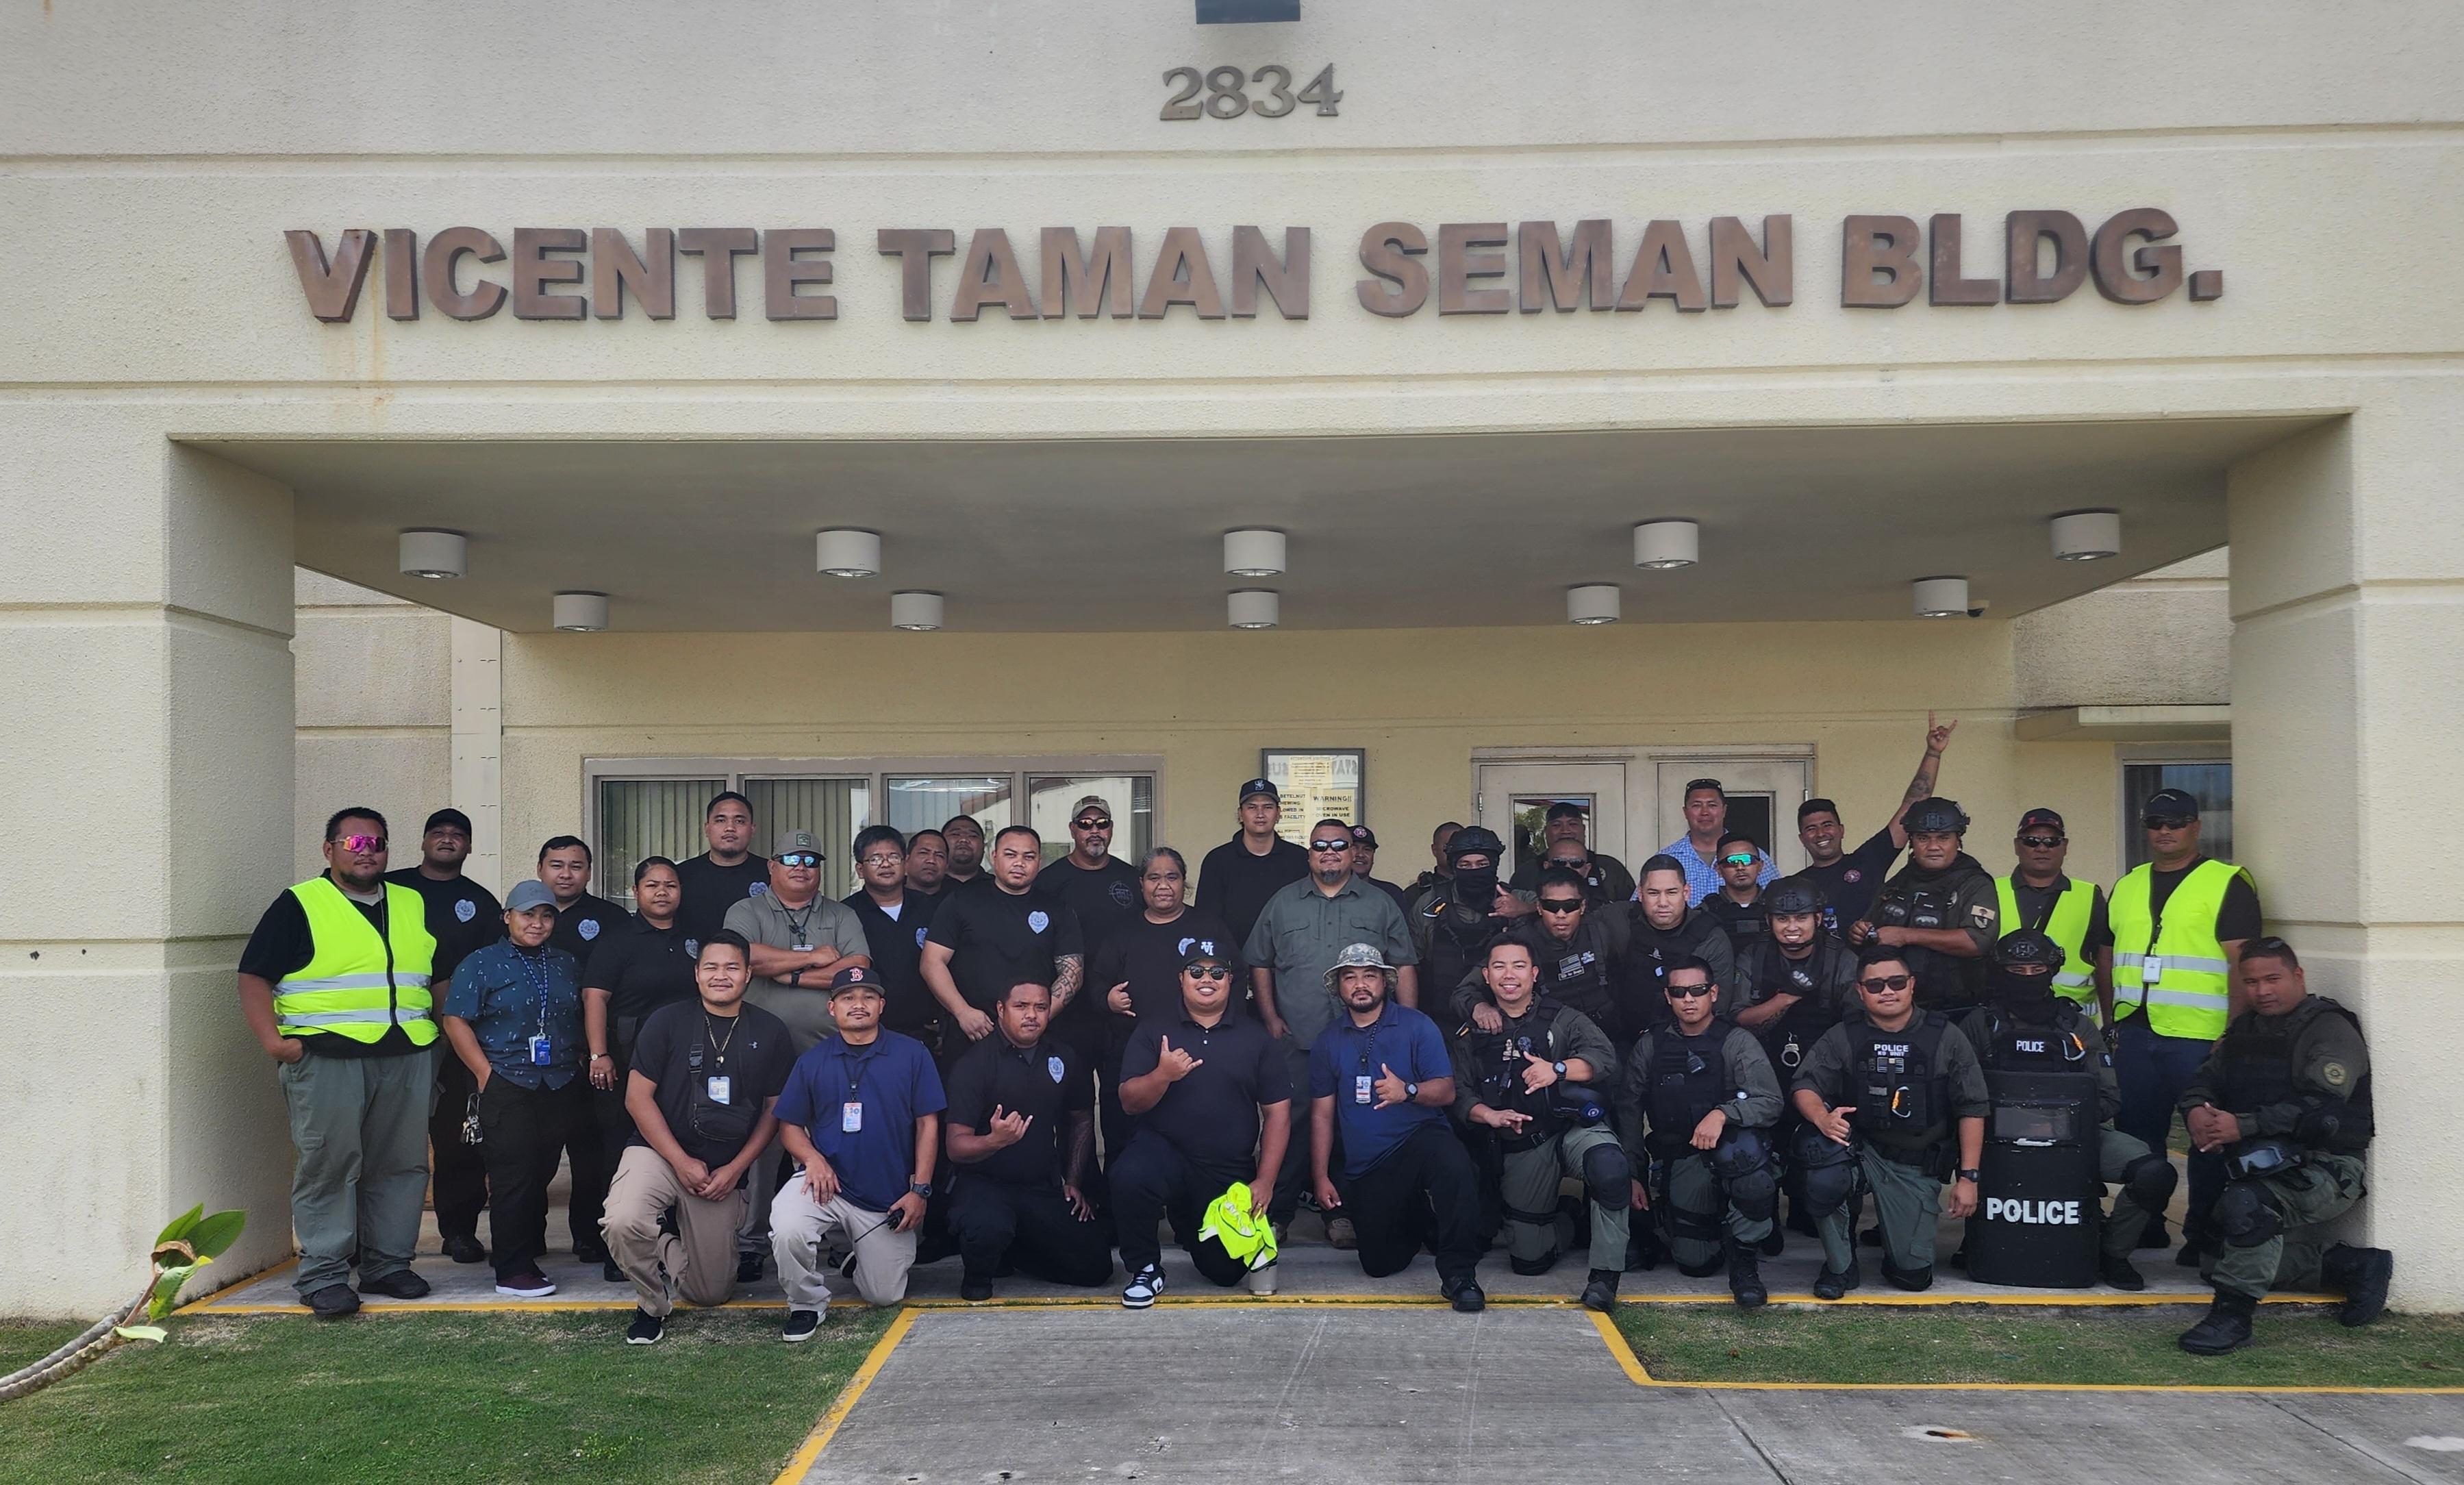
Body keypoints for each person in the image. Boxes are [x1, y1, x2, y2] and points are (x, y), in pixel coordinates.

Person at [237, 808, 440, 1316]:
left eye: (376, 842)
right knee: (329, 1164)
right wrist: (273, 1042)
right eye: (353, 843)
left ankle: (388, 1263)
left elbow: (429, 976)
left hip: (405, 1055)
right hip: (327, 1058)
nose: (366, 850)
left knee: (403, 1166)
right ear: (329, 850)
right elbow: (253, 976)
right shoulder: (300, 904)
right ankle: (324, 1274)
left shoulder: (411, 902)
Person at [2174, 938, 2392, 1354]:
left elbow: (2322, 1110)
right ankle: (2349, 1267)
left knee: (2247, 1208)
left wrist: (2244, 1125)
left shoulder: (2328, 1029)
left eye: (2273, 979)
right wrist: (2196, 1112)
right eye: (2251, 982)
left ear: (2298, 976)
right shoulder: (2245, 1029)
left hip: (2328, 1167)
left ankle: (2232, 1318)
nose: (2262, 991)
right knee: (2214, 1260)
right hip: (2266, 1162)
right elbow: (2204, 1080)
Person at [1954, 930, 2174, 1290]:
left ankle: (2113, 1252)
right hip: (1994, 1141)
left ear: (2053, 969)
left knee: (2154, 1173)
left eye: (2036, 968)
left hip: (2077, 1137)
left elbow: (2109, 1096)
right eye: (2016, 968)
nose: (2026, 977)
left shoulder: (2078, 1026)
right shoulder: (1979, 1025)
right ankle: (1980, 1235)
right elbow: (1959, 1094)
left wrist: (2053, 1124)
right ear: (1999, 970)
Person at [603, 931, 794, 1344]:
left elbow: (774, 1110)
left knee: (709, 1293)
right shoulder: (666, 1021)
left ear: (747, 973)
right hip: (658, 1151)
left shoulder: (771, 1030)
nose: (720, 975)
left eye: (731, 967)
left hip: (723, 1167)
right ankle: (651, 1304)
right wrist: (679, 1161)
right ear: (696, 974)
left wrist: (736, 1169)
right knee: (621, 1220)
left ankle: (664, 1236)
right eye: (711, 967)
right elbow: (637, 1099)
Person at [2110, 786, 2263, 1264]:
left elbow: (2242, 959)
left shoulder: (2227, 881)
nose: (2165, 831)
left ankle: (2201, 1235)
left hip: (2200, 1035)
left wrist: (2233, 1030)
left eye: (2175, 823)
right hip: (2136, 1029)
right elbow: (2106, 954)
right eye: (2156, 823)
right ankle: (2147, 1225)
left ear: (2197, 827)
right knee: (2138, 1135)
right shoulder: (2129, 883)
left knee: (2206, 1137)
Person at [1245, 817, 1418, 1240]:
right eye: (1321, 846)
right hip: (1298, 1039)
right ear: (1310, 854)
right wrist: (1269, 1017)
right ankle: (1279, 1211)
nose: (1330, 852)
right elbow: (1259, 961)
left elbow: (1404, 965)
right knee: (1290, 1122)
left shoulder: (1379, 903)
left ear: (1351, 853)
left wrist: (1407, 1027)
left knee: (1352, 1124)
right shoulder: (1283, 902)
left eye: (1339, 846)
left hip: (1365, 1040)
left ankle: (1341, 1214)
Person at [1790, 946, 1989, 1299]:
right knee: (1821, 1161)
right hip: (1861, 1150)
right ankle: (1840, 1265)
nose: (1887, 991)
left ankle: (1895, 1240)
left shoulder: (1946, 1036)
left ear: (1912, 985)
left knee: (1912, 1277)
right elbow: (1806, 1083)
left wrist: (1968, 1178)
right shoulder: (1844, 1035)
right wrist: (1822, 1118)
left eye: (1896, 982)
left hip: (1914, 1162)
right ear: (1860, 991)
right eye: (1876, 984)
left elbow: (1972, 1106)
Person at [725, 828, 873, 1279]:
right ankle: (752, 1243)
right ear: (771, 865)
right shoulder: (746, 910)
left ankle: (841, 1241)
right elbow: (745, 958)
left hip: (827, 1050)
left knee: (833, 1142)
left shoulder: (841, 913)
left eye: (810, 860)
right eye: (791, 859)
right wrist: (813, 960)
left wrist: (784, 973)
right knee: (762, 1148)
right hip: (759, 1051)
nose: (802, 868)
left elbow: (857, 969)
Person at [1451, 938, 1629, 1312]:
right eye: (1499, 967)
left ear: (1534, 974)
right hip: (1523, 1141)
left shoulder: (1563, 1018)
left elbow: (1605, 1059)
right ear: (1486, 976)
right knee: (1529, 1262)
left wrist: (1558, 1069)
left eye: (1519, 966)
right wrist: (1492, 1115)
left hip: (1573, 1128)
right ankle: (1568, 1217)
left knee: (1610, 1169)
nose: (1509, 975)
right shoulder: (1473, 1034)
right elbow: (1460, 1094)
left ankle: (1604, 1277)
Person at [1307, 944, 1485, 1311]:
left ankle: (1459, 1275)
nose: (1360, 984)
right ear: (1338, 986)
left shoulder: (1417, 1025)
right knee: (1378, 1265)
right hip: (1370, 1163)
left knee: (1454, 1164)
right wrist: (1321, 1176)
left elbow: (1447, 1091)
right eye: (1350, 977)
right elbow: (1322, 1114)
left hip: (1419, 1139)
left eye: (1369, 975)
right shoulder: (1327, 1041)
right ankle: (1421, 1216)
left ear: (1385, 982)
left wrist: (1409, 1091)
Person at [1111, 944, 1292, 1306]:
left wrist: (1265, 1180)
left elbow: (1278, 1114)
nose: (1206, 979)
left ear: (1231, 981)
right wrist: (1162, 1075)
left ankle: (1187, 1221)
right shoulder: (1154, 1031)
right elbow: (1129, 1102)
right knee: (1128, 1174)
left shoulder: (1255, 1037)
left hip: (1224, 1167)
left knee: (1225, 1274)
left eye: (1216, 973)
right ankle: (1146, 1269)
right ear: (1181, 979)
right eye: (1196, 972)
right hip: (1165, 1152)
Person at [769, 966, 945, 1337]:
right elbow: (789, 1126)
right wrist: (813, 1160)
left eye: (868, 997)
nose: (858, 1004)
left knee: (884, 1295)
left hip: (885, 1195)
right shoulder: (812, 1061)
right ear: (832, 1008)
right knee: (787, 1227)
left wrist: (920, 1191)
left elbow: (928, 1124)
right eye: (848, 998)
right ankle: (806, 1304)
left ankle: (860, 1258)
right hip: (825, 1183)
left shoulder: (912, 1053)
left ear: (881, 1005)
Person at [440, 879, 587, 1299]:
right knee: (513, 1175)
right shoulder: (481, 963)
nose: (538, 924)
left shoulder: (565, 962)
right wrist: (486, 1075)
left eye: (546, 916)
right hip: (507, 1080)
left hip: (558, 1080)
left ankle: (527, 1249)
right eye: (528, 915)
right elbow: (456, 1020)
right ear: (508, 917)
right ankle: (513, 1269)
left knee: (541, 1171)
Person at [1613, 957, 1783, 1308]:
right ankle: (1715, 1227)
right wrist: (1634, 1174)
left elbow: (1770, 1102)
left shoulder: (1736, 1041)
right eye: (1679, 992)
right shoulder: (1653, 1044)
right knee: (1696, 1265)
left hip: (1733, 1154)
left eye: (1697, 990)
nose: (1688, 999)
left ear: (1714, 993)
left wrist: (1724, 1113)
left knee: (1750, 1166)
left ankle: (1745, 1262)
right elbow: (1629, 1109)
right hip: (1682, 1158)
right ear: (1668, 997)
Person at [942, 979, 1111, 1299]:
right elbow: (955, 1146)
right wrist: (994, 1140)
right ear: (1001, 1010)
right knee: (985, 1242)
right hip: (984, 1184)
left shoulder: (1063, 1056)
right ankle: (983, 1265)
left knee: (1096, 1266)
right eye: (1021, 1007)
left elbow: (1081, 1117)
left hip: (1039, 1186)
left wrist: (1072, 1180)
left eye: (1040, 1007)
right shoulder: (974, 1065)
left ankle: (1014, 1248)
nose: (1031, 1015)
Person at [384, 807, 501, 1266]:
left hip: (457, 1038)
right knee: (386, 1138)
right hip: (392, 1036)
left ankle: (459, 1232)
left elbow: (492, 968)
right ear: (424, 841)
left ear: (470, 847)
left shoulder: (482, 902)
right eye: (439, 832)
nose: (448, 839)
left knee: (458, 1139)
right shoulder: (391, 889)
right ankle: (371, 1240)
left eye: (458, 835)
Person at [579, 856, 699, 1280]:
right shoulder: (618, 940)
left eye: (670, 885)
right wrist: (599, 1054)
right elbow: (595, 997)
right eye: (652, 885)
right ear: (636, 892)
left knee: (681, 1146)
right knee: (621, 1152)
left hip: (687, 1067)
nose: (662, 892)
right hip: (628, 1062)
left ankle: (676, 1247)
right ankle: (621, 1253)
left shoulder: (695, 938)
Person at [1730, 875, 1859, 1243]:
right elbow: (1739, 1020)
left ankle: (1812, 1212)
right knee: (1757, 1149)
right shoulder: (1753, 956)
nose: (1791, 927)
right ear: (1769, 921)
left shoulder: (1841, 959)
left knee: (1820, 1156)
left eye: (1801, 918)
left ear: (1818, 918)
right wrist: (1785, 998)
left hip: (1823, 1069)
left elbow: (1855, 1028)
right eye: (1782, 919)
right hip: (1764, 1064)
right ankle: (1763, 1219)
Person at [1090, 847, 1240, 1162]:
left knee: (1195, 1133)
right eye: (1154, 878)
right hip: (1132, 1049)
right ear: (1141, 884)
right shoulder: (1123, 930)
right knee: (1124, 1136)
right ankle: (1125, 1204)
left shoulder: (1208, 926)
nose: (1163, 885)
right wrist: (1108, 1000)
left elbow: (1237, 975)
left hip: (1197, 1050)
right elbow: (1096, 980)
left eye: (1172, 877)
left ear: (1184, 883)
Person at [1034, 797, 1141, 1164]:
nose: (1094, 830)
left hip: (1121, 1015)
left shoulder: (1131, 878)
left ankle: (1120, 1190)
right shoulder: (1049, 881)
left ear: (1111, 829)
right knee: (1071, 1106)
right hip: (1067, 1016)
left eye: (1102, 823)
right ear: (1072, 830)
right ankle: (1077, 1191)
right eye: (1085, 823)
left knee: (1121, 1106)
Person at [536, 834, 625, 1267]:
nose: (565, 873)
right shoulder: (525, 916)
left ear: (589, 873)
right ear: (541, 870)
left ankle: (590, 1236)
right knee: (536, 1151)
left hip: (594, 1054)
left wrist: (601, 1051)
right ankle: (529, 1235)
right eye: (557, 865)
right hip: (536, 1058)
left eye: (575, 866)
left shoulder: (612, 919)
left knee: (591, 1153)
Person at [923, 825, 1086, 1047]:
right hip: (973, 1031)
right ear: (994, 857)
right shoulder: (962, 901)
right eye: (1010, 855)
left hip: (1036, 1037)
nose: (1019, 863)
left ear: (1039, 862)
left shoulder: (1058, 909)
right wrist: (963, 1012)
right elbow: (932, 962)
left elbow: (1071, 974)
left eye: (1028, 857)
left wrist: (1037, 1019)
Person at [1796, 714, 1956, 934]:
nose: (1821, 834)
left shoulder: (1869, 860)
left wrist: (1933, 753)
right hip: (1825, 968)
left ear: (1841, 830)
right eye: (1811, 829)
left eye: (1827, 825)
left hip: (1873, 964)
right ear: (1802, 838)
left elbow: (1912, 806)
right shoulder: (1798, 885)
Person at [1847, 798, 1997, 1013]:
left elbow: (1977, 941)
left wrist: (1907, 936)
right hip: (1897, 1009)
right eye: (1923, 838)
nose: (1933, 846)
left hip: (1957, 1011)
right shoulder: (1899, 881)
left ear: (1958, 840)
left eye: (1943, 838)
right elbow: (1872, 929)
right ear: (1911, 841)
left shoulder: (1974, 883)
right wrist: (1859, 933)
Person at [1452, 866, 1631, 1043]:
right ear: (1538, 907)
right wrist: (1480, 1008)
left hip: (1609, 1033)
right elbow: (1464, 992)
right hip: (1552, 1041)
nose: (1561, 914)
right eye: (1551, 906)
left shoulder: (1602, 929)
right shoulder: (1519, 944)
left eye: (1570, 905)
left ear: (1583, 906)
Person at [1995, 808, 2113, 1023]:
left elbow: (2105, 963)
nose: (2042, 848)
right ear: (2016, 846)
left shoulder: (2089, 896)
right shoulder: (1990, 891)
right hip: (2003, 1021)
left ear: (2065, 846)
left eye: (2052, 842)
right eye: (2032, 841)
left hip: (2072, 1026)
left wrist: (2111, 1024)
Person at [842, 825, 945, 1050]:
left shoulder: (935, 910)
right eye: (876, 859)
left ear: (906, 863)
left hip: (927, 1033)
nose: (886, 864)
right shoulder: (845, 914)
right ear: (860, 869)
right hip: (868, 1034)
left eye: (894, 857)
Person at [1622, 854, 1736, 1034]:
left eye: (1671, 892)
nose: (1662, 903)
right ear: (1640, 894)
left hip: (1693, 1038)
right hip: (1628, 1035)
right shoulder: (1622, 923)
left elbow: (1718, 1006)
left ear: (1686, 893)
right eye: (1653, 893)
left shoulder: (1710, 937)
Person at [1195, 777, 1309, 951]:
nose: (1260, 814)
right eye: (1252, 807)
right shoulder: (1218, 860)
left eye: (1268, 807)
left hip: (1289, 960)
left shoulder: (1299, 858)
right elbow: (1207, 919)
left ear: (1279, 813)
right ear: (1240, 814)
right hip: (1233, 961)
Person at [1413, 826, 1518, 1010]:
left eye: (1482, 864)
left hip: (1504, 1017)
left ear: (1494, 865)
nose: (1474, 870)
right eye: (1465, 865)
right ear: (1454, 867)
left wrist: (1525, 909)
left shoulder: (1517, 899)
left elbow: (1557, 909)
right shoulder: (1429, 904)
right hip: (1441, 1015)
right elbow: (1411, 964)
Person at [672, 790, 768, 949]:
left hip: (758, 969)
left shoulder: (772, 874)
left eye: (739, 821)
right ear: (707, 828)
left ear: (753, 829)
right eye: (721, 820)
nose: (730, 828)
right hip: (691, 970)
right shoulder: (682, 875)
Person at [1658, 780, 1778, 903]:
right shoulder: (1666, 859)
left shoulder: (1754, 857)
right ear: (1685, 812)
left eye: (1712, 805)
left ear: (1724, 810)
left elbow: (1777, 901)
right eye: (1697, 806)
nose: (1705, 812)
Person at [1507, 801, 1636, 901]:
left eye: (1573, 824)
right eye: (1557, 825)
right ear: (1546, 831)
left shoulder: (1610, 867)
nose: (1565, 831)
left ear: (1583, 829)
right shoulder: (1526, 872)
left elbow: (1631, 911)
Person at [1696, 833, 1771, 958]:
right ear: (1719, 870)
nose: (1740, 867)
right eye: (1732, 862)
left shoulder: (1777, 906)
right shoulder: (1705, 912)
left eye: (1747, 860)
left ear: (1760, 866)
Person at [1349, 825, 1416, 916]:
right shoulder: (1329, 892)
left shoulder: (1391, 893)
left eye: (1367, 850)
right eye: (1354, 848)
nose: (1360, 854)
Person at [1406, 821, 1463, 915]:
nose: (1454, 851)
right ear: (1435, 850)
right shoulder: (1413, 894)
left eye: (1460, 846)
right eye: (1448, 846)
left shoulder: (1485, 888)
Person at [940, 814, 989, 890]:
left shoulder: (1000, 889)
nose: (963, 840)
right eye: (955, 834)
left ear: (984, 847)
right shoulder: (925, 887)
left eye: (972, 836)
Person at [905, 828, 951, 898]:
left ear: (947, 865)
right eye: (923, 853)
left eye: (939, 855)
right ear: (907, 860)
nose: (931, 860)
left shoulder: (959, 900)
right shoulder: (889, 898)